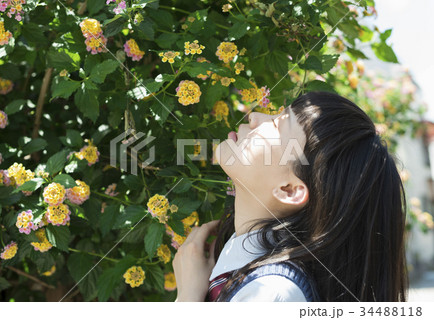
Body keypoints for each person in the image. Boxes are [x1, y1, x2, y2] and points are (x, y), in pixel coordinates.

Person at [172, 91, 408, 302]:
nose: (254, 117)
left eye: (275, 126)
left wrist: (187, 298)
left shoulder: (272, 294)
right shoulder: (250, 278)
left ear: (289, 190)